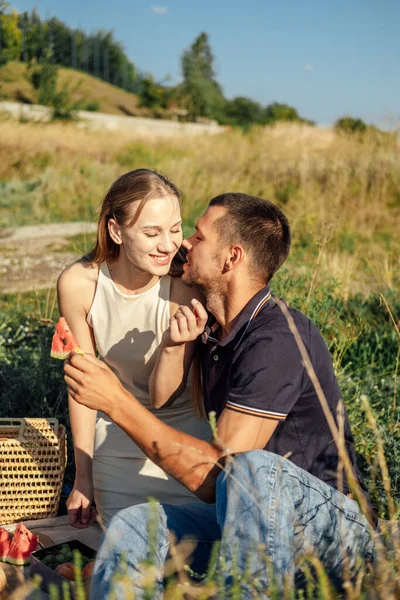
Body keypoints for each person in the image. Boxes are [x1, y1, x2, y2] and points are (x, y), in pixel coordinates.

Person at [64, 193, 375, 598]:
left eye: (198, 236)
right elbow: (161, 394)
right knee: (134, 526)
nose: (184, 244)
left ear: (231, 259)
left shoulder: (277, 338)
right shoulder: (213, 328)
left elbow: (222, 479)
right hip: (248, 525)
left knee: (252, 470)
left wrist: (117, 402)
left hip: (327, 536)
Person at [57, 168, 210, 528]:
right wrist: (83, 477)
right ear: (116, 231)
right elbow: (83, 386)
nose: (169, 245)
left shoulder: (183, 285)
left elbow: (164, 399)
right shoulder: (78, 284)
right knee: (126, 544)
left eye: (175, 229)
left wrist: (173, 345)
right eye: (152, 232)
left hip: (184, 440)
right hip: (117, 437)